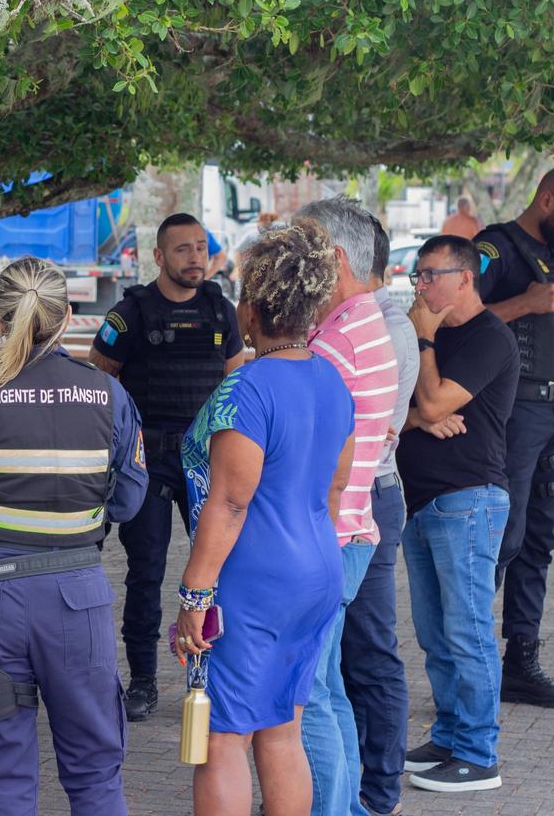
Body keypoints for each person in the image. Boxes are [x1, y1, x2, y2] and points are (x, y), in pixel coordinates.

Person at [0, 256, 148, 816]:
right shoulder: (109, 396)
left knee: (3, 772)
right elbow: (129, 501)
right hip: (78, 600)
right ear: (67, 317)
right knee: (95, 770)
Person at [175, 219, 355, 816]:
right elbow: (334, 488)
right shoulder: (332, 380)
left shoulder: (244, 391)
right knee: (282, 728)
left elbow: (229, 503)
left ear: (250, 308)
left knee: (223, 739)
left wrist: (193, 596)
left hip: (253, 582)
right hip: (318, 569)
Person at [89, 212, 243, 722]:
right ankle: (144, 681)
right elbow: (99, 382)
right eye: (183, 249)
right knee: (145, 573)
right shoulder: (130, 314)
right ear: (158, 257)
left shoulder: (222, 311)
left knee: (219, 570)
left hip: (206, 462)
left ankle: (212, 678)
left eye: (201, 247)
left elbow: (236, 383)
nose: (195, 257)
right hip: (149, 460)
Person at [477, 164, 554, 708]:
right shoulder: (496, 248)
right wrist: (522, 305)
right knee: (500, 542)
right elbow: (453, 318)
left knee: (538, 541)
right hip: (511, 414)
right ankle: (472, 668)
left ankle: (520, 663)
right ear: (546, 200)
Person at [397, 234, 519, 792]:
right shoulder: (427, 337)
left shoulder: (488, 337)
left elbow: (434, 400)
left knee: (467, 630)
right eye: (417, 276)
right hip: (421, 502)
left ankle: (478, 752)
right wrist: (420, 418)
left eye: (429, 275)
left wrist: (423, 341)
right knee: (434, 632)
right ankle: (448, 737)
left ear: (464, 278)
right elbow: (396, 407)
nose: (420, 287)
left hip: (468, 501)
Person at [294, 196, 396, 816]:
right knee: (327, 689)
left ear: (330, 258)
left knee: (308, 698)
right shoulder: (359, 321)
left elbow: (311, 458)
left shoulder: (338, 339)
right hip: (349, 532)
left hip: (329, 534)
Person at [338, 215, 419, 816]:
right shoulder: (356, 322)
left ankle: (377, 791)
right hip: (363, 495)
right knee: (344, 654)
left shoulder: (382, 326)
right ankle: (344, 788)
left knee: (369, 649)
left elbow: (361, 438)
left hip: (368, 497)